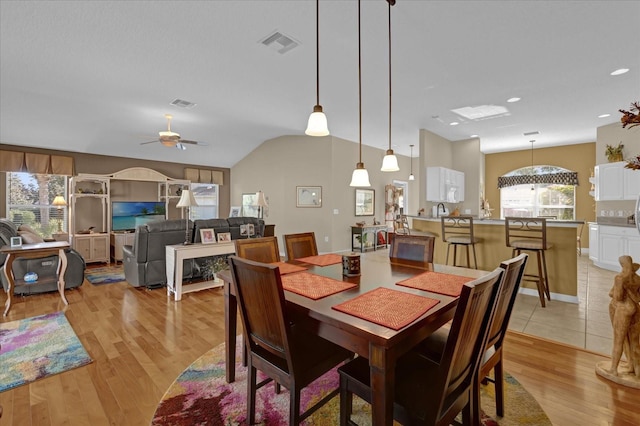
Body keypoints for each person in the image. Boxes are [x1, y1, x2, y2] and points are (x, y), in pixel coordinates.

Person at [608, 255, 640, 377]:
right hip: (636, 310)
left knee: (619, 340)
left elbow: (618, 297)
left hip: (623, 310)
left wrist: (617, 291)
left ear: (622, 265)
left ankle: (613, 370)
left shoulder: (620, 278)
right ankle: (636, 370)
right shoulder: (638, 279)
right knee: (635, 342)